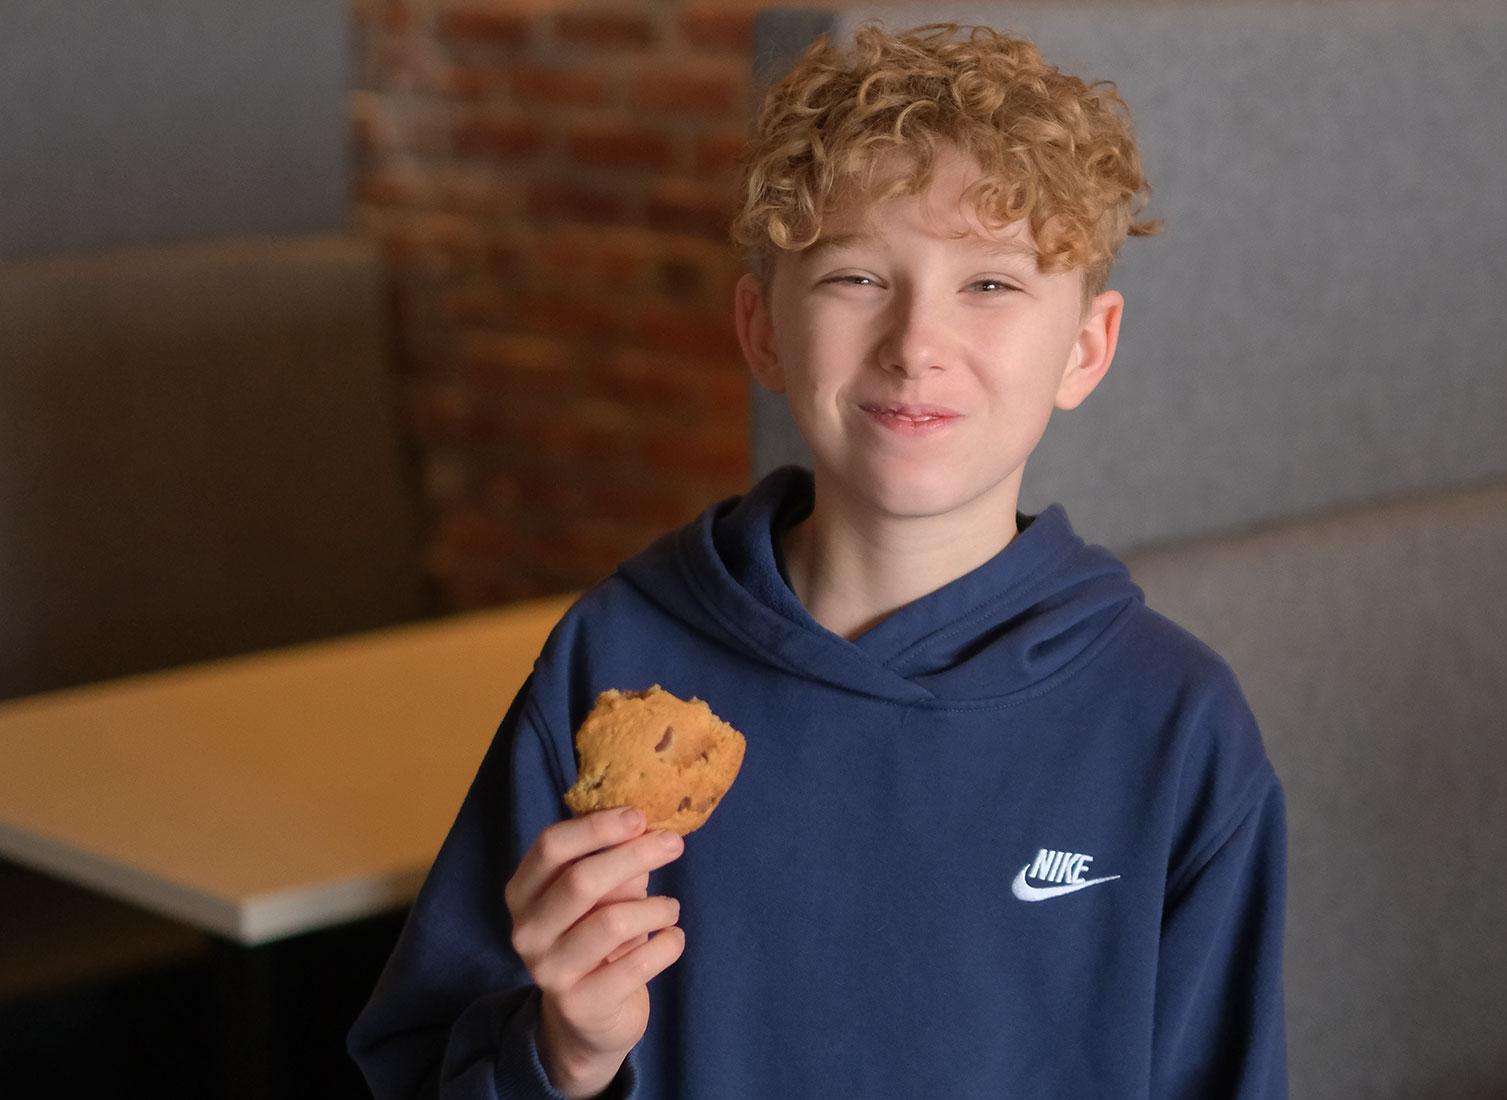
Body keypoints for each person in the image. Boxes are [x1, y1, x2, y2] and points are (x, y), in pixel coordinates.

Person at [349, 21, 1287, 1099]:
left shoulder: (1174, 723)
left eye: (989, 284)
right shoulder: (615, 654)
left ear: (1086, 346)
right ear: (761, 330)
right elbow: (420, 1065)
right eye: (852, 277)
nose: (915, 343)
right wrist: (562, 1054)